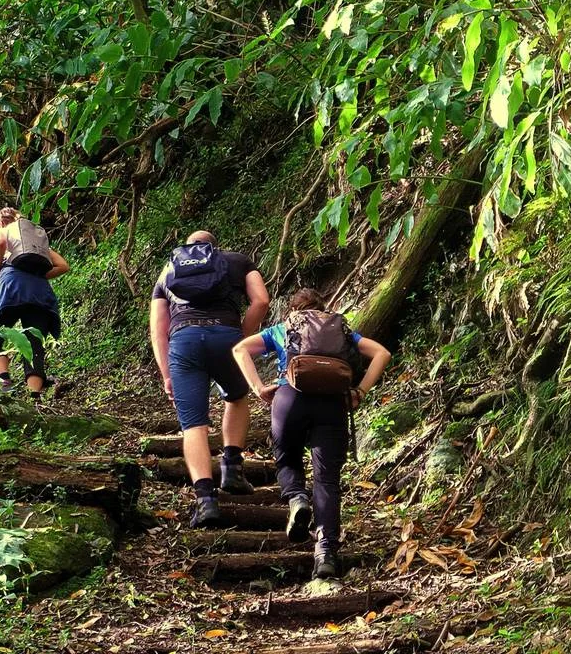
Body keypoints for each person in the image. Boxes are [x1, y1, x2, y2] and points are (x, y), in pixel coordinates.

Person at [231, 288, 392, 578]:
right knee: (327, 479)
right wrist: (360, 391)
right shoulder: (341, 331)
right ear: (322, 309)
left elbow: (240, 349)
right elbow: (382, 353)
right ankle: (326, 553)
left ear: (293, 309)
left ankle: (297, 498)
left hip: (289, 399)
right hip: (332, 404)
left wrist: (258, 388)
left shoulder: (284, 328)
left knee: (288, 458)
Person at [149, 231, 270, 528]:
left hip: (185, 342)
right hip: (227, 336)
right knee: (236, 397)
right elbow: (261, 301)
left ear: (187, 249)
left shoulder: (169, 269)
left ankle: (205, 501)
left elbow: (158, 329)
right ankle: (232, 469)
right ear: (215, 247)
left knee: (193, 425)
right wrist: (243, 337)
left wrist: (166, 374)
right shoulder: (236, 261)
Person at [0, 208, 70, 400]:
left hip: (11, 288)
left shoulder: (1, 231)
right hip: (40, 292)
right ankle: (34, 396)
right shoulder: (34, 242)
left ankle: (4, 381)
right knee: (34, 341)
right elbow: (63, 266)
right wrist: (36, 277)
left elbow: (0, 243)